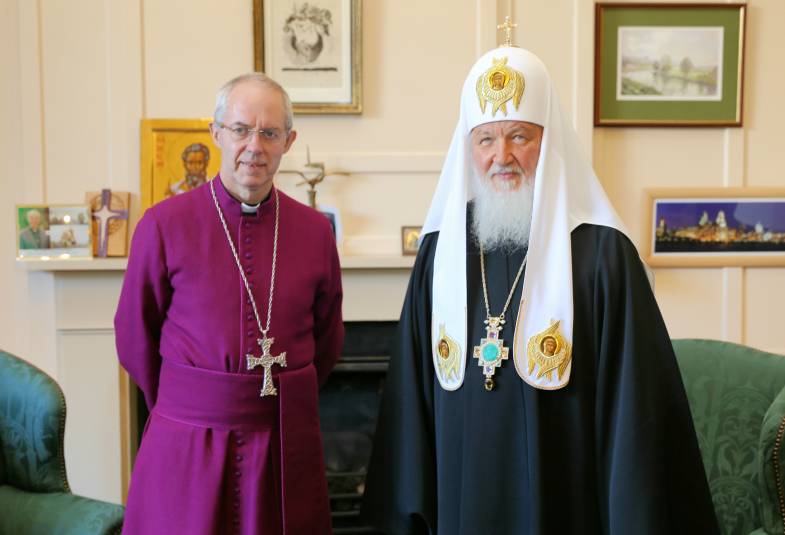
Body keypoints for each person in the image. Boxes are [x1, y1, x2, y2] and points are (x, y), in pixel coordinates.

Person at [361, 39, 719, 534]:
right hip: (462, 504)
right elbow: (411, 403)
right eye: (485, 140)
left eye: (519, 137)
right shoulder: (441, 252)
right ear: (468, 149)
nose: (501, 156)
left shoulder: (604, 254)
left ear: (549, 143)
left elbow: (636, 414)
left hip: (567, 506)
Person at [115, 73, 344, 535]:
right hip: (189, 440)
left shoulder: (315, 231)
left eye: (270, 133)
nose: (254, 146)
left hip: (281, 444)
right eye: (241, 129)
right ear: (216, 132)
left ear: (288, 142)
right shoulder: (163, 224)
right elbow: (134, 334)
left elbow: (327, 337)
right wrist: (191, 402)